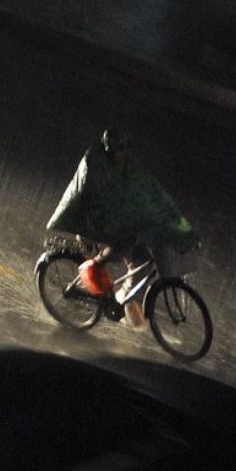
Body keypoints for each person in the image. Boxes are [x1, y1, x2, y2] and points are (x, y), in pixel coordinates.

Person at [45, 126, 197, 328]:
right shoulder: (94, 162)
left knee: (143, 260)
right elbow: (96, 196)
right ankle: (95, 266)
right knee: (122, 246)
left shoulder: (124, 162)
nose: (120, 154)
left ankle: (125, 300)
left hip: (112, 220)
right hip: (91, 222)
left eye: (123, 150)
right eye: (117, 151)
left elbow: (144, 186)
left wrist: (163, 212)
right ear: (108, 149)